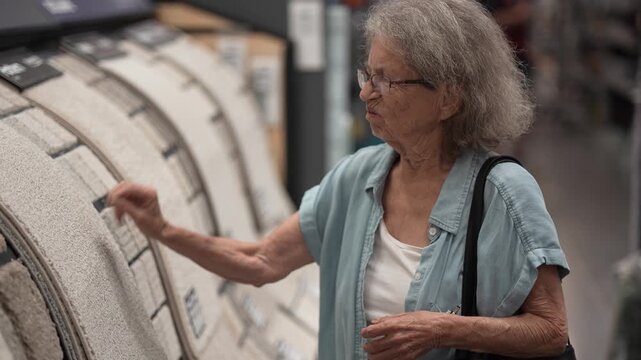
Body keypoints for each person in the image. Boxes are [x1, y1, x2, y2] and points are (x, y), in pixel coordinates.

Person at [107, 0, 570, 358]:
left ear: (448, 98)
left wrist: (442, 329)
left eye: (388, 81)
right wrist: (161, 228)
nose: (366, 91)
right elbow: (261, 261)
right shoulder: (356, 179)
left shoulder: (503, 194)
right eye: (368, 73)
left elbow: (551, 331)